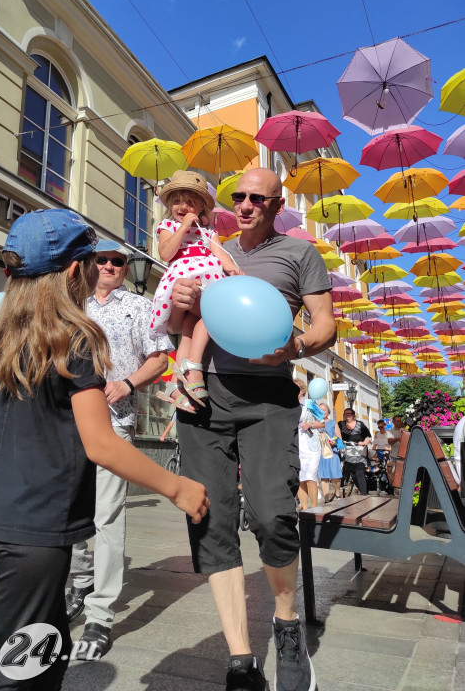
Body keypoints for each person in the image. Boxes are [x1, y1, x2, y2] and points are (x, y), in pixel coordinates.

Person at [0, 209, 208, 691]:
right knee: (11, 672)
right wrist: (177, 486)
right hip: (39, 528)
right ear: (72, 271)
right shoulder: (74, 338)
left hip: (4, 516)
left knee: (44, 654)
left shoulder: (5, 335)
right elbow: (101, 444)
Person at [168, 168, 336, 691]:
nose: (244, 204)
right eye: (237, 196)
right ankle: (241, 657)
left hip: (267, 397)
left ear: (277, 203)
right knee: (210, 519)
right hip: (203, 396)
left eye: (256, 198)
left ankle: (286, 626)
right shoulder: (206, 246)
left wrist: (297, 346)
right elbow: (180, 324)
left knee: (271, 515)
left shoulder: (299, 254)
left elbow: (327, 325)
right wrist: (177, 307)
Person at [65, 242, 173, 659]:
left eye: (118, 262)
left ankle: (100, 613)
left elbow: (160, 358)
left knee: (106, 516)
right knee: (66, 509)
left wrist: (127, 384)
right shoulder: (73, 305)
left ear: (126, 268)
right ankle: (78, 581)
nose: (109, 266)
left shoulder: (139, 307)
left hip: (115, 424)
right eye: (102, 260)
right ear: (91, 264)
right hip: (68, 423)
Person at [151, 170, 239, 411]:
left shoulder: (208, 231)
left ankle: (177, 382)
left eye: (190, 201)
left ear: (202, 207)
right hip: (183, 276)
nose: (183, 206)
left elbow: (220, 253)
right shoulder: (168, 225)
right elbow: (166, 253)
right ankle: (194, 367)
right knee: (211, 315)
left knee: (192, 327)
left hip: (209, 277)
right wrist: (183, 227)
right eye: (177, 200)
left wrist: (233, 269)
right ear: (169, 204)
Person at [296, 381, 322, 511]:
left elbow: (322, 423)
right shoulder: (288, 405)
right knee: (301, 477)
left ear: (302, 391)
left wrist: (310, 424)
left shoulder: (310, 404)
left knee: (311, 476)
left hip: (311, 444)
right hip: (296, 444)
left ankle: (315, 508)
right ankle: (305, 509)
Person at [338, 408, 373, 496]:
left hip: (359, 452)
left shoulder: (360, 424)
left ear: (353, 415)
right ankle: (341, 492)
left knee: (359, 471)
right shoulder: (340, 424)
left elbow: (368, 436)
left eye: (349, 414)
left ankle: (364, 494)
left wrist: (364, 442)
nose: (347, 416)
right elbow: (335, 434)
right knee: (352, 474)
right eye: (346, 414)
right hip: (346, 452)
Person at [317, 403, 343, 503]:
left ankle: (337, 492)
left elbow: (339, 437)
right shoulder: (315, 423)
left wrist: (334, 441)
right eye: (320, 410)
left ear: (328, 412)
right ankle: (326, 499)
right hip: (321, 452)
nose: (322, 412)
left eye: (324, 410)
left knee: (335, 475)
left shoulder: (333, 423)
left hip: (332, 451)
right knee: (323, 476)